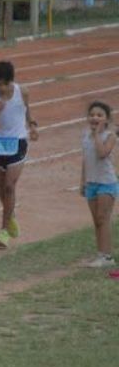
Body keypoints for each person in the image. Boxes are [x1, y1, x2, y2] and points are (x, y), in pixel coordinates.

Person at [0, 60, 38, 249]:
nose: (0, 88)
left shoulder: (22, 91)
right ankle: (11, 216)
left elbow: (27, 111)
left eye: (3, 84)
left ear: (11, 81)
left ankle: (3, 231)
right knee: (2, 190)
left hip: (18, 141)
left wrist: (33, 126)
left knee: (9, 186)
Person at [80, 101, 117, 268]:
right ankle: (100, 254)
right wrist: (82, 181)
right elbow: (85, 160)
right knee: (97, 221)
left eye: (100, 115)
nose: (95, 117)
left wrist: (96, 135)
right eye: (92, 114)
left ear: (107, 119)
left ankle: (107, 257)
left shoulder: (110, 136)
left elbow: (102, 154)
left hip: (106, 183)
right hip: (91, 183)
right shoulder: (85, 135)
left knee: (103, 218)